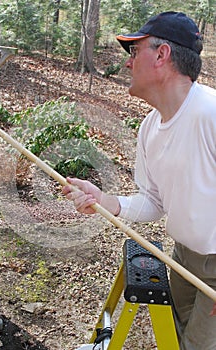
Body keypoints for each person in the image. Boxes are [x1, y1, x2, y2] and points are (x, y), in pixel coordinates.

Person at [62, 11, 216, 350]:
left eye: (135, 52)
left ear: (162, 55)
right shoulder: (149, 128)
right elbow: (153, 201)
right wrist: (105, 201)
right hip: (185, 257)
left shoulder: (209, 114)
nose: (128, 64)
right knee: (176, 340)